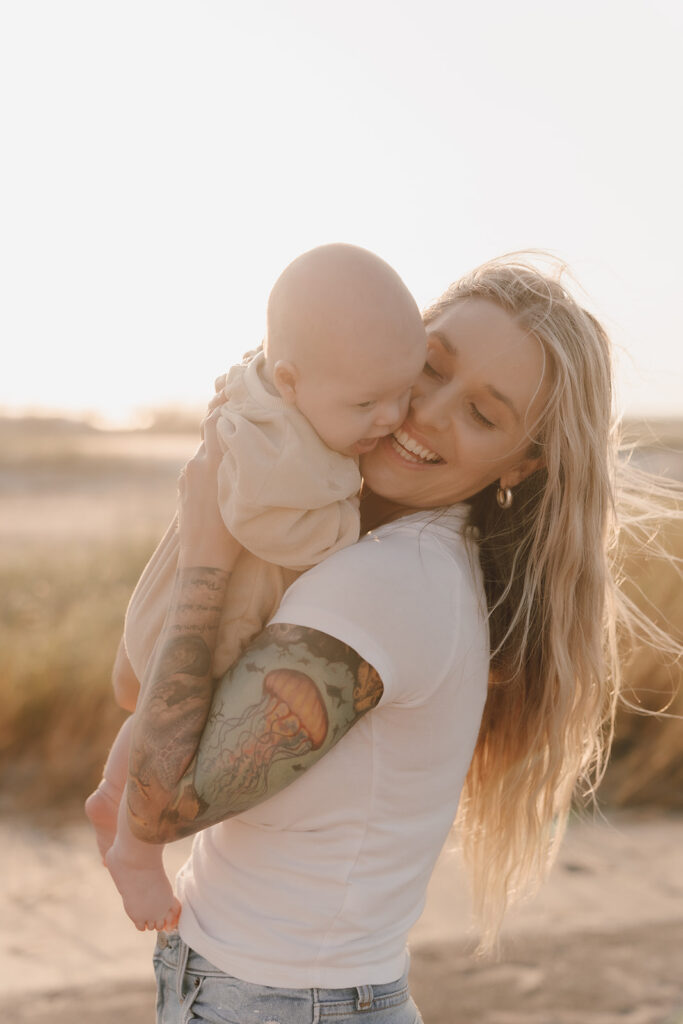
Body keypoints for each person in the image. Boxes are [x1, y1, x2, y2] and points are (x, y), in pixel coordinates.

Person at [124, 256, 681, 1023]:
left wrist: (208, 551)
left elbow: (157, 806)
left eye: (483, 415)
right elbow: (142, 692)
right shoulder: (352, 542)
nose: (425, 413)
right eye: (429, 365)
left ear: (519, 464)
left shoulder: (388, 587)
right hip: (269, 987)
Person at [84, 243, 427, 931]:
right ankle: (133, 846)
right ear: (290, 380)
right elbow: (273, 529)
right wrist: (348, 528)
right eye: (367, 403)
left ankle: (114, 792)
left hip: (198, 591)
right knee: (185, 709)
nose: (391, 418)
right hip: (214, 610)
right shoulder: (279, 457)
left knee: (152, 706)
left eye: (405, 391)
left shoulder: (285, 394)